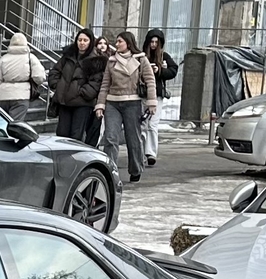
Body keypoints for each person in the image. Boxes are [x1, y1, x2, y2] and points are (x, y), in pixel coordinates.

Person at [95, 30, 157, 184]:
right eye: (116, 41)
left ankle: (136, 169)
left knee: (133, 138)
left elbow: (150, 81)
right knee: (110, 138)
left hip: (133, 103)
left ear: (128, 43)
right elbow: (105, 84)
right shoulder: (111, 60)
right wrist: (100, 105)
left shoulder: (141, 59)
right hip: (112, 102)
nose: (116, 44)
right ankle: (110, 172)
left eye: (120, 41)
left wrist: (152, 102)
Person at [49, 29, 104, 142]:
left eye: (85, 40)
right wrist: (58, 86)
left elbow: (95, 82)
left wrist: (80, 92)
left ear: (90, 42)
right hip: (64, 102)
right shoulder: (68, 56)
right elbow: (55, 72)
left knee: (76, 135)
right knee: (62, 134)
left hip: (82, 103)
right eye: (80, 40)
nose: (82, 43)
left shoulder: (95, 60)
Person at [141, 29, 179, 166]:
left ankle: (150, 153)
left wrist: (160, 70)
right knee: (142, 124)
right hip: (142, 93)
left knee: (152, 124)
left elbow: (173, 70)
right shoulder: (142, 56)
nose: (153, 45)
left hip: (157, 94)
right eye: (151, 42)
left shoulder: (164, 56)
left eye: (156, 42)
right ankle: (141, 152)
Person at [0, 31, 45, 120]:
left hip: (3, 97)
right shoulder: (30, 58)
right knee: (15, 124)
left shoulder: (4, 59)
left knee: (2, 122)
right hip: (21, 96)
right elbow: (39, 77)